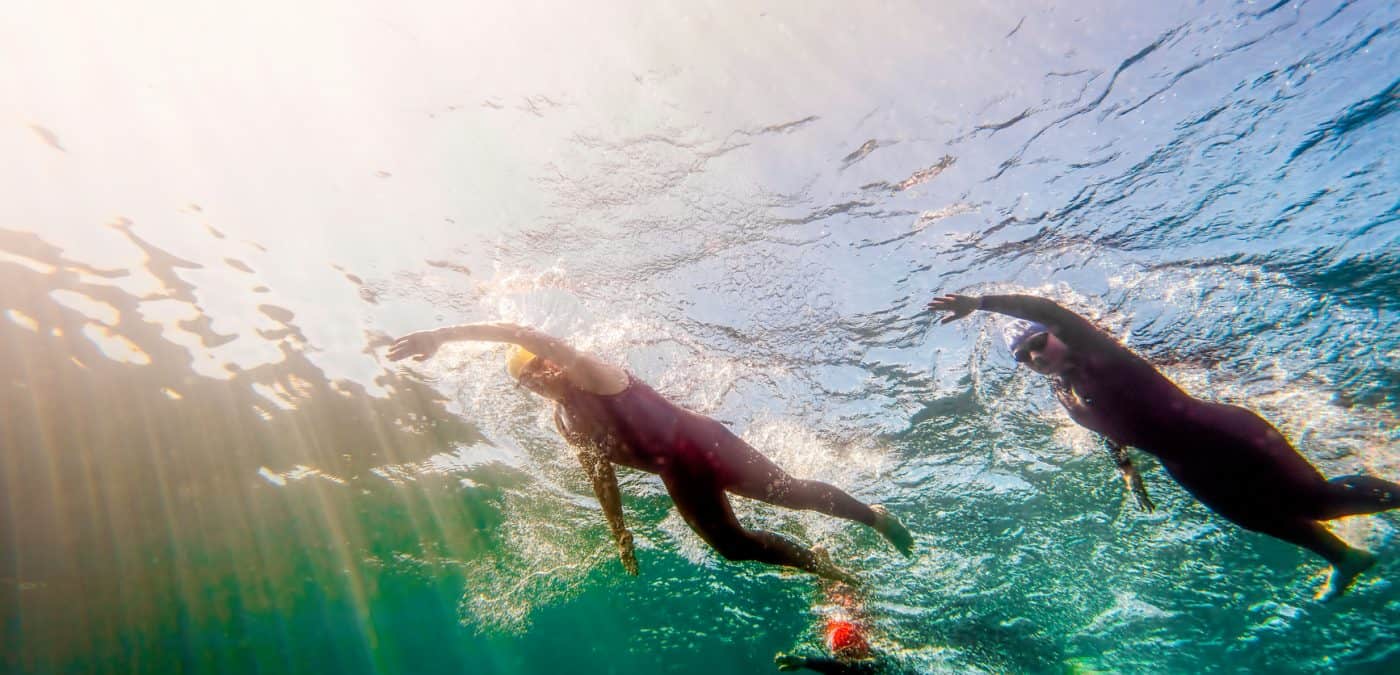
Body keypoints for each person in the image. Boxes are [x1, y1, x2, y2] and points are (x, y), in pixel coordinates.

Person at [928, 292, 1399, 599]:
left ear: (1056, 336)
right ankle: (1345, 558)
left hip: (1222, 436)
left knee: (1315, 502)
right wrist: (1129, 475)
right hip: (1187, 468)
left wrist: (982, 302)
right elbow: (1110, 434)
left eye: (1037, 343)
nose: (1035, 356)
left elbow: (1049, 311)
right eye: (1023, 357)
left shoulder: (1097, 353)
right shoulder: (1065, 392)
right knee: (1265, 519)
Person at [389, 322, 913, 583]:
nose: (542, 378)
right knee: (732, 547)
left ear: (552, 359)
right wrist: (618, 529)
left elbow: (523, 333)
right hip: (677, 475)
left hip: (704, 443)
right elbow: (599, 474)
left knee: (791, 494)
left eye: (541, 365)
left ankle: (873, 516)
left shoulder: (592, 373)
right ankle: (821, 566)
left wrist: (444, 335)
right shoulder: (565, 420)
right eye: (529, 378)